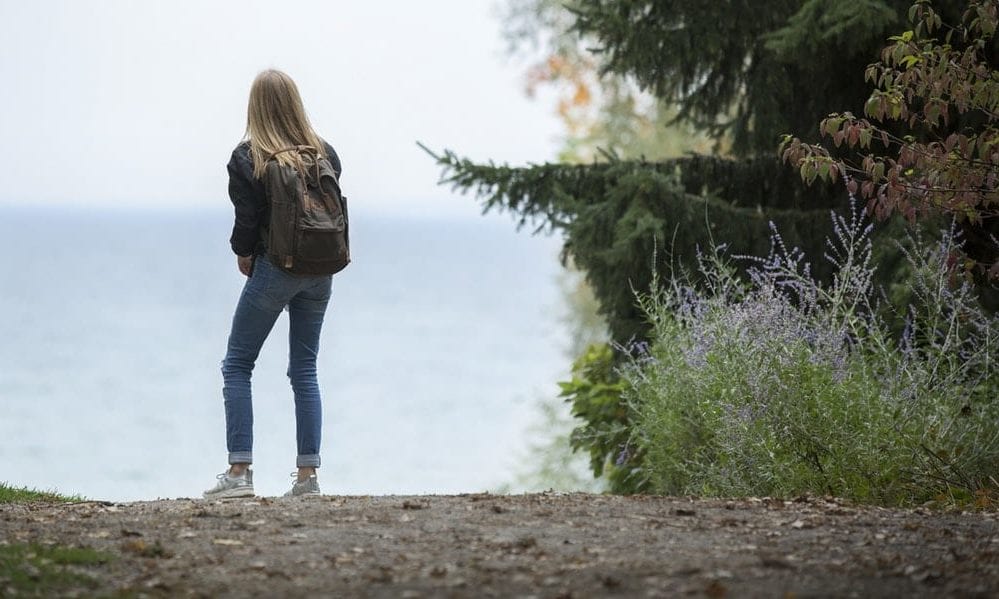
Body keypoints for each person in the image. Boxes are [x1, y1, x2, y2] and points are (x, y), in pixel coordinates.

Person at [204, 69, 342, 499]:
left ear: (255, 107)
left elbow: (247, 220)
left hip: (276, 269)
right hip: (321, 271)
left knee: (237, 364)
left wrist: (243, 253)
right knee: (305, 369)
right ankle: (308, 478)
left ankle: (239, 473)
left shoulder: (250, 157)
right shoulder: (325, 152)